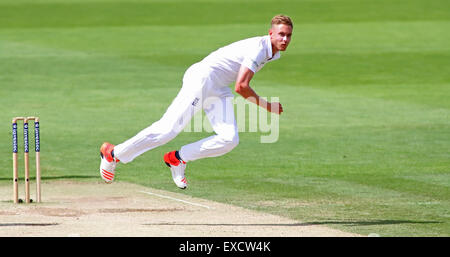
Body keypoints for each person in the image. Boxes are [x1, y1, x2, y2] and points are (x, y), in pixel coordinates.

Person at [99, 15, 293, 189]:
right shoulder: (258, 49)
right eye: (281, 34)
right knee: (167, 130)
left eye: (288, 35)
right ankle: (113, 153)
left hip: (218, 87)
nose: (285, 39)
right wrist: (268, 106)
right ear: (270, 34)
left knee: (229, 139)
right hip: (202, 79)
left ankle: (178, 159)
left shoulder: (273, 53)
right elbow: (241, 86)